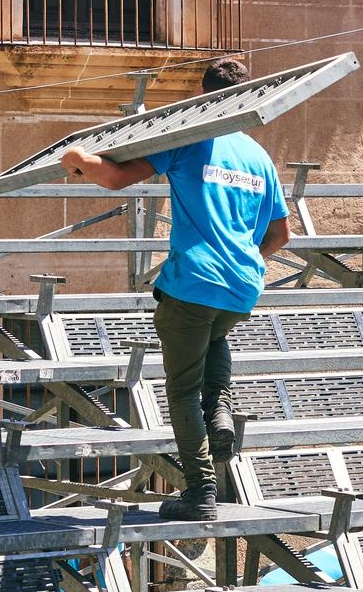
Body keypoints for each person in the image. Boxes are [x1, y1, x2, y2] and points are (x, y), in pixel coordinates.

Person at [60, 58, 290, 520]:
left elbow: (114, 176)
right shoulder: (258, 156)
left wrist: (74, 157)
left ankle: (200, 490)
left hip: (192, 284)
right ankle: (221, 419)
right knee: (215, 348)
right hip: (241, 288)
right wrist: (241, 263)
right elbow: (282, 236)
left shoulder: (191, 137)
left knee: (183, 392)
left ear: (203, 95)